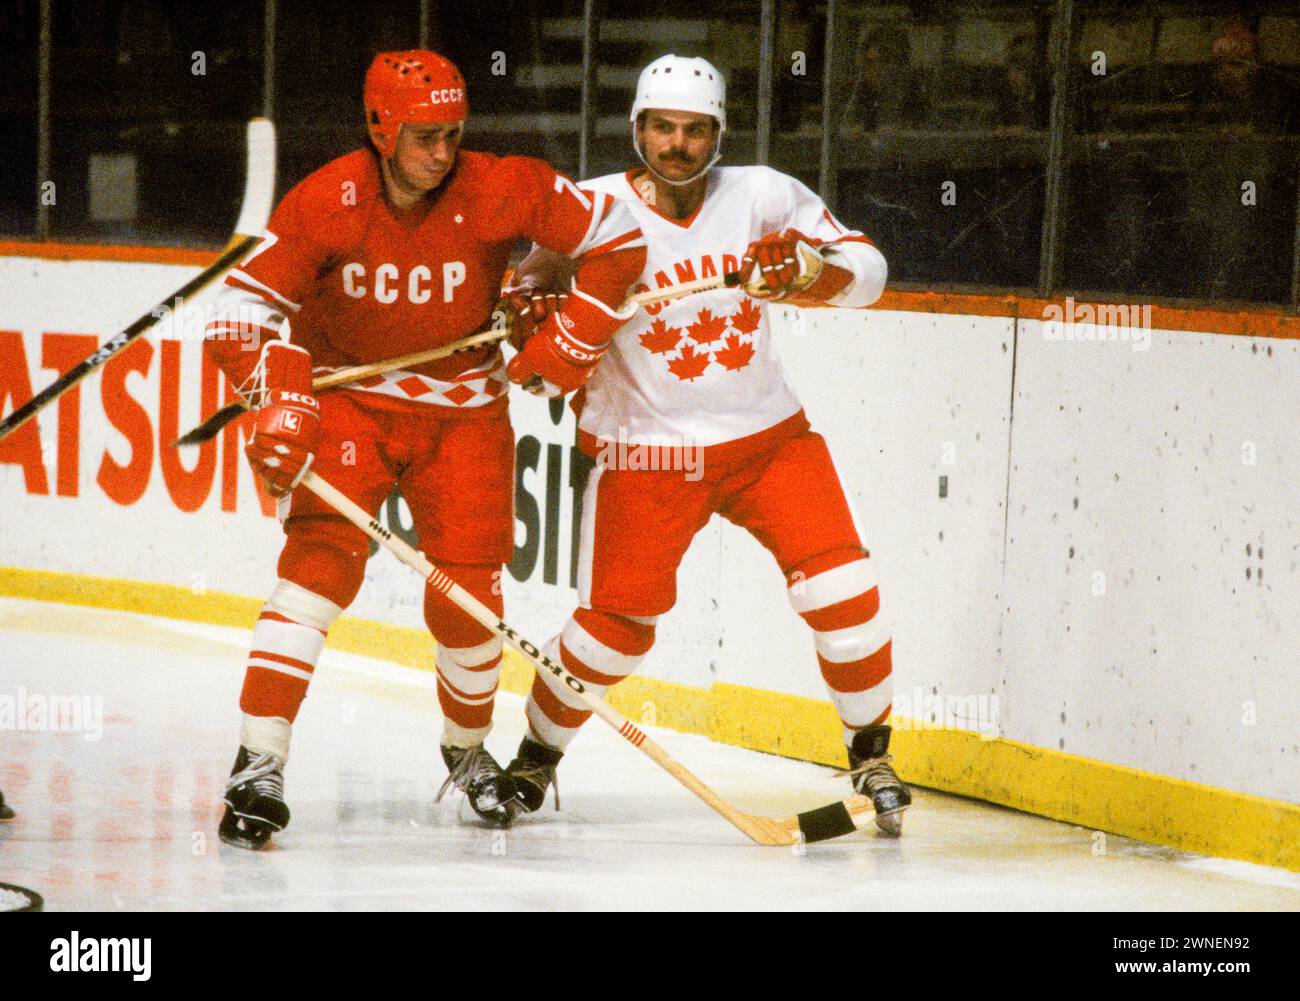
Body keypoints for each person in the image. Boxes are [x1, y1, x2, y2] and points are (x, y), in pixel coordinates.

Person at [203, 49, 645, 848]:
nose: (442, 152)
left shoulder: (503, 185)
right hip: (349, 405)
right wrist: (282, 394)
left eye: (453, 133)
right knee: (318, 568)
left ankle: (466, 750)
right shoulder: (328, 198)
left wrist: (570, 339)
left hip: (465, 415)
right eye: (423, 135)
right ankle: (257, 762)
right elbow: (238, 312)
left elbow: (619, 240)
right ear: (381, 129)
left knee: (469, 602)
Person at [503, 55, 910, 835]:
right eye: (662, 127)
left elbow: (871, 271)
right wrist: (540, 327)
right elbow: (527, 328)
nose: (677, 145)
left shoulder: (762, 195)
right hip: (646, 455)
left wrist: (807, 271)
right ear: (637, 129)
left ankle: (871, 753)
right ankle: (534, 758)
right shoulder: (590, 212)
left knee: (843, 593)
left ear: (718, 134)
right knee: (609, 636)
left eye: (695, 130)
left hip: (767, 441)